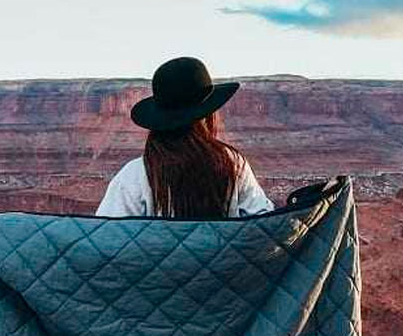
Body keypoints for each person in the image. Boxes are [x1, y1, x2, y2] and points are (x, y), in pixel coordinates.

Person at [96, 56, 274, 219]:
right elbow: (262, 223)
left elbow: (107, 236)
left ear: (159, 119)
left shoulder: (134, 175)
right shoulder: (231, 164)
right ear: (208, 115)